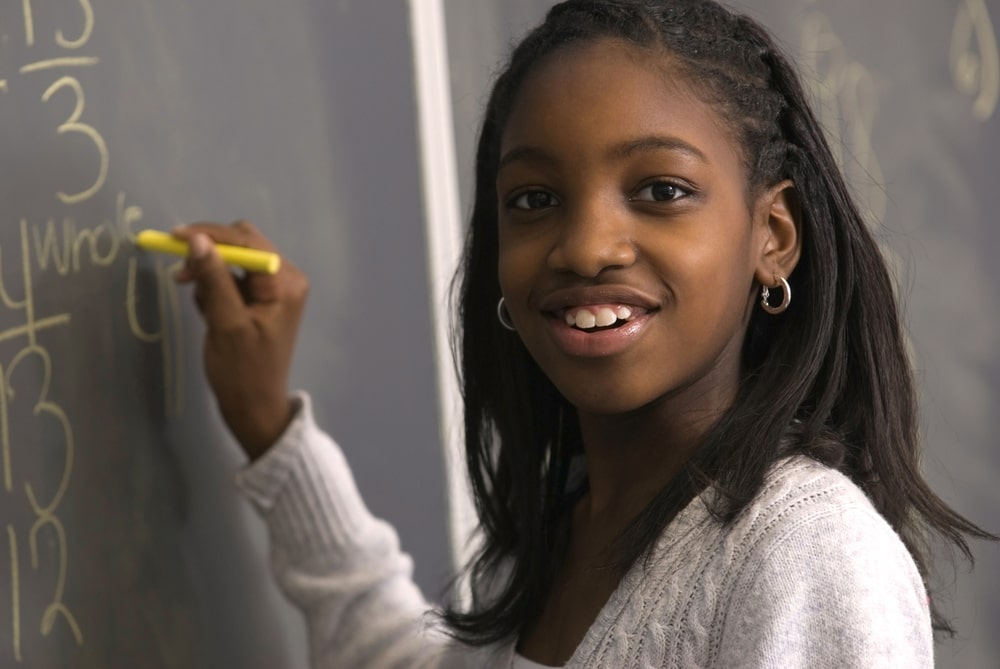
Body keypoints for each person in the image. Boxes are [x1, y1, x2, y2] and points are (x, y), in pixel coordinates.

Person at [173, 1, 995, 667]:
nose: (586, 246)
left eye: (661, 188)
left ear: (772, 234)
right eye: (533, 200)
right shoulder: (565, 530)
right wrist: (273, 432)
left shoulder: (804, 551)